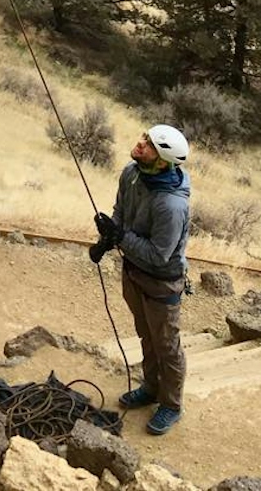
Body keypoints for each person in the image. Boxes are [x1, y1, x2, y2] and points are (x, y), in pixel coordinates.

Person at [89, 123, 190, 437]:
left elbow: (159, 255)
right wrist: (108, 238)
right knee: (146, 335)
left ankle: (171, 405)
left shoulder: (171, 206)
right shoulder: (131, 173)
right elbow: (122, 210)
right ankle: (150, 387)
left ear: (162, 162)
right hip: (133, 272)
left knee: (167, 345)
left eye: (149, 145)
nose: (140, 143)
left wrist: (121, 236)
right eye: (144, 137)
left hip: (161, 282)